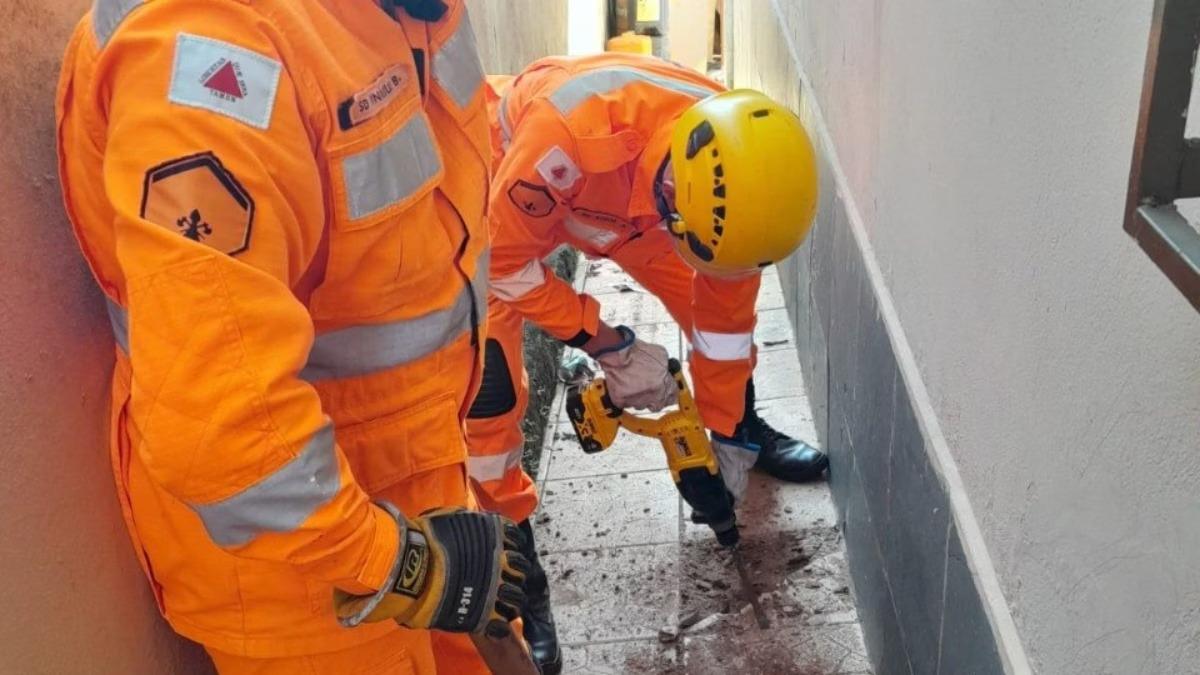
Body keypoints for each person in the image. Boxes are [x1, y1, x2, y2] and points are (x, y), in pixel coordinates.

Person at [55, 0, 529, 672]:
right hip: (313, 576)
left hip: (420, 505)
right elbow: (221, 430)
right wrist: (401, 564)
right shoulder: (214, 50)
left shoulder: (408, 13)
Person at [466, 53, 823, 675]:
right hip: (508, 201)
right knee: (489, 400)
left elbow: (723, 330)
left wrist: (726, 431)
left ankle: (751, 432)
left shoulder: (741, 179)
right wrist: (609, 343)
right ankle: (519, 578)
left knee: (719, 329)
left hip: (638, 215)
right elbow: (501, 266)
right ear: (672, 194)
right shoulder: (567, 135)